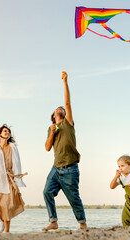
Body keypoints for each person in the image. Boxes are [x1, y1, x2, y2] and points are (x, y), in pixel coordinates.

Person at [42, 71, 87, 231]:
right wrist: (52, 132)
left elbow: (67, 103)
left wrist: (65, 82)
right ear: (53, 116)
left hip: (70, 169)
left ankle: (83, 224)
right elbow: (47, 148)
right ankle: (53, 221)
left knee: (74, 198)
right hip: (56, 168)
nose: (60, 109)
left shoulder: (68, 123)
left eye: (62, 109)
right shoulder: (51, 128)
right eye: (57, 109)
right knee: (47, 192)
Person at [0, 124, 27, 233]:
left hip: (10, 180)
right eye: (5, 131)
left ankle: (7, 232)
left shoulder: (12, 147)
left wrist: (18, 179)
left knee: (5, 206)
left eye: (8, 131)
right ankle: (2, 220)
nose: (7, 133)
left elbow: (17, 163)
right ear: (0, 134)